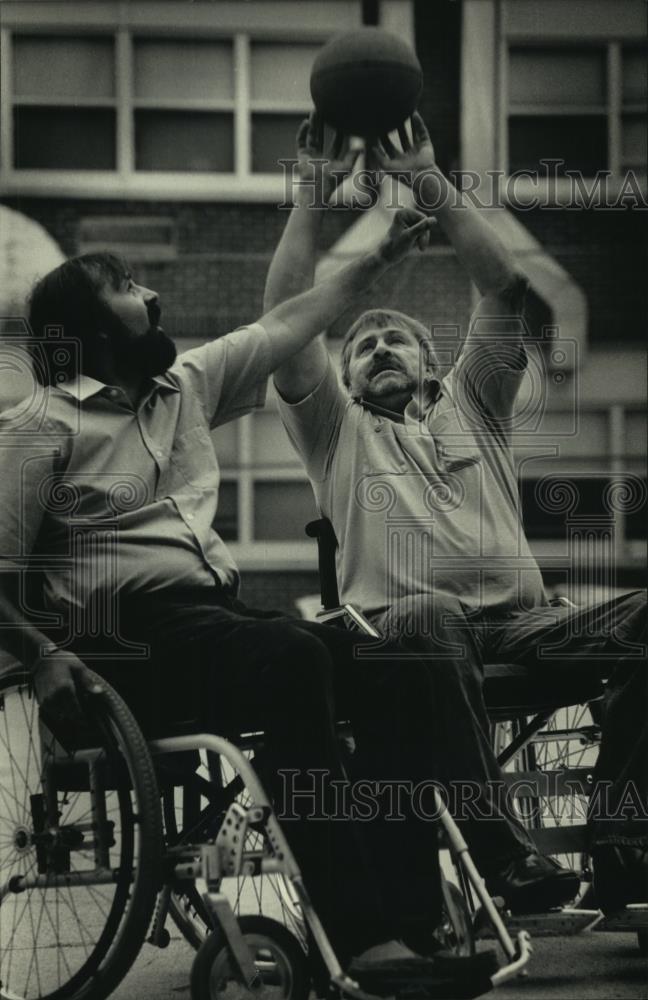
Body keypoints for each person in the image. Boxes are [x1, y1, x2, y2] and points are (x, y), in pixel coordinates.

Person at [0, 218, 469, 986]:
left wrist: (377, 256)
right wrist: (42, 654)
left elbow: (289, 322)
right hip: (121, 645)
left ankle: (411, 926)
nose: (150, 294)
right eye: (126, 288)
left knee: (401, 660)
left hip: (216, 624)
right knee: (291, 656)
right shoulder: (38, 427)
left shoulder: (184, 388)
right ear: (90, 328)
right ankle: (361, 939)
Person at [266, 112, 648, 917]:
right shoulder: (335, 428)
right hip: (406, 636)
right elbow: (285, 320)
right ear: (346, 377)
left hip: (524, 625)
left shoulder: (475, 402)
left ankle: (621, 845)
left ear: (432, 363)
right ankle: (499, 852)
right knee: (432, 611)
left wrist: (433, 183)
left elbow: (504, 289)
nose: (375, 350)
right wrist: (310, 197)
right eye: (360, 346)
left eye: (393, 340)